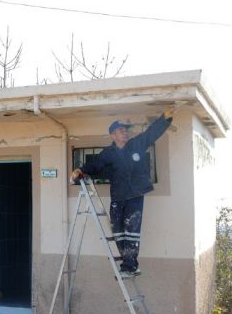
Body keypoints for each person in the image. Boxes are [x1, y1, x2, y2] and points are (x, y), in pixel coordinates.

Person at [71, 107, 175, 277]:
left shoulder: (136, 144)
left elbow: (151, 133)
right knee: (118, 232)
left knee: (132, 232)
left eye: (126, 130)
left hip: (135, 196)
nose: (125, 133)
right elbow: (95, 166)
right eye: (121, 131)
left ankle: (130, 267)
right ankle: (130, 263)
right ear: (113, 135)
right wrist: (79, 170)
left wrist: (165, 119)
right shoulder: (108, 153)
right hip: (118, 197)